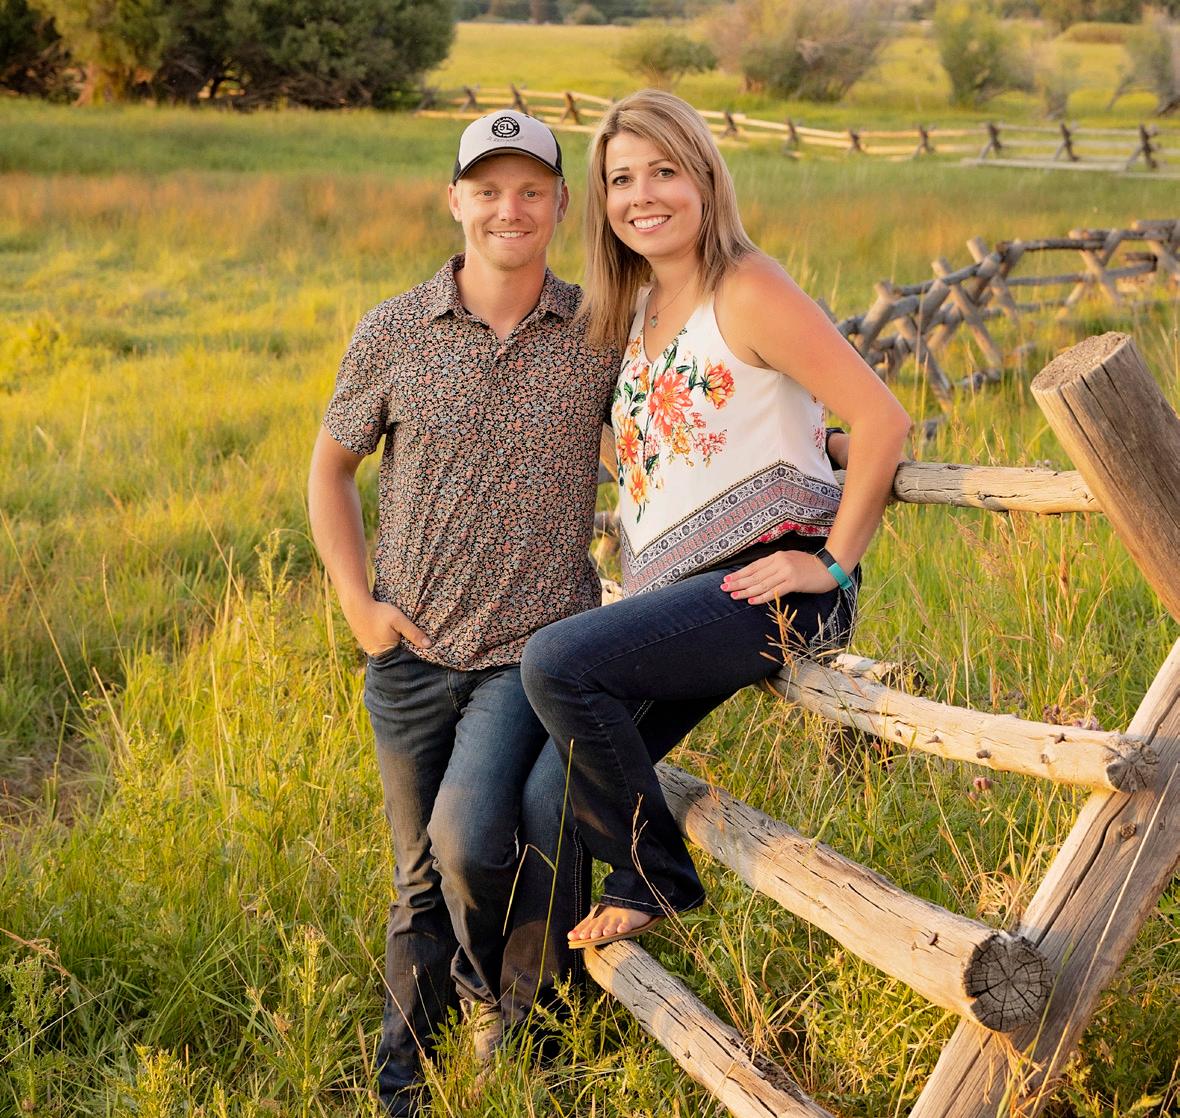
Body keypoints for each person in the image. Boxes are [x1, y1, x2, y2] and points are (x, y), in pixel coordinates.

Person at [518, 89, 911, 950]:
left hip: (775, 585)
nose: (642, 195)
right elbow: (680, 438)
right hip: (683, 597)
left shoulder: (749, 287)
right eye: (622, 179)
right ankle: (555, 998)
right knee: (550, 791)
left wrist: (832, 565)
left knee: (554, 661)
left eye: (664, 171)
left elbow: (883, 421)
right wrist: (813, 441)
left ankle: (656, 876)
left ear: (704, 178)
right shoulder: (639, 309)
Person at [306, 109, 618, 1115]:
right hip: (407, 654)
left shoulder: (599, 331)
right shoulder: (394, 328)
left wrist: (817, 443)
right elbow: (330, 469)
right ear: (455, 200)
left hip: (527, 656)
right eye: (487, 189)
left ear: (560, 204)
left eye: (530, 190)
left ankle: (500, 1005)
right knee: (416, 876)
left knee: (468, 841)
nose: (507, 209)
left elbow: (686, 419)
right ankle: (402, 1085)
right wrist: (359, 606)